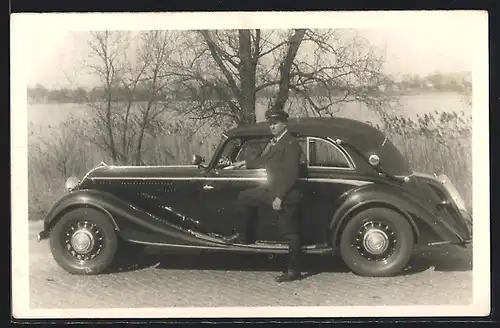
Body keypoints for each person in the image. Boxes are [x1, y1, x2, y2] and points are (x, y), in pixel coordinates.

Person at [224, 106, 303, 283]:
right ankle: (244, 236)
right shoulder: (277, 142)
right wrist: (244, 163)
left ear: (285, 124)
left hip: (285, 195)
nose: (272, 126)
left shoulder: (291, 144)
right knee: (245, 197)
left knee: (290, 234)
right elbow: (266, 161)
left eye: (276, 123)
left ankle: (293, 270)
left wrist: (280, 197)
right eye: (270, 123)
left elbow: (291, 175)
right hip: (271, 190)